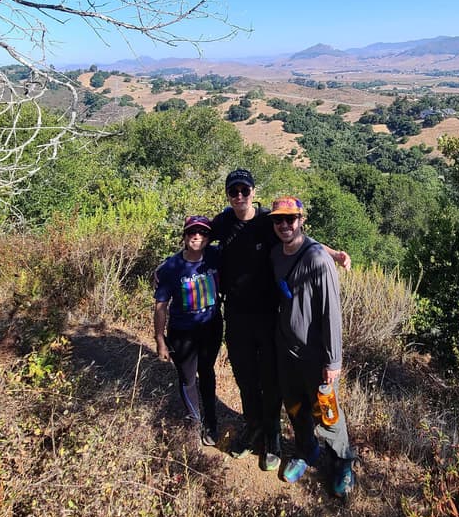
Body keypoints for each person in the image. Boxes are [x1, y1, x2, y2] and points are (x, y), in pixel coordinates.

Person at [212, 169, 351, 472]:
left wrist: (334, 254)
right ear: (227, 194)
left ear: (252, 191)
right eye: (233, 191)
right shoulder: (224, 223)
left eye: (244, 190)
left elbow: (304, 242)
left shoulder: (267, 221)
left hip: (270, 322)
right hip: (240, 318)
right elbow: (195, 238)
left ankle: (287, 442)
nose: (238, 196)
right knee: (250, 380)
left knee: (285, 389)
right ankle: (258, 429)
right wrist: (172, 266)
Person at [269, 195, 357, 498]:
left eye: (290, 219)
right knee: (294, 406)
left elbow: (331, 313)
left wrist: (333, 361)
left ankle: (343, 462)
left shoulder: (318, 260)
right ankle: (307, 452)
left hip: (314, 355)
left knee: (327, 413)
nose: (284, 225)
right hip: (285, 350)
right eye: (278, 219)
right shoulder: (276, 252)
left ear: (301, 220)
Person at [153, 215, 223, 447]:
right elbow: (161, 305)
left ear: (208, 237)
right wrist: (160, 340)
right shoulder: (171, 267)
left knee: (207, 372)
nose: (197, 236)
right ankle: (195, 423)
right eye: (192, 232)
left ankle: (211, 423)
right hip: (182, 332)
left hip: (211, 327)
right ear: (184, 236)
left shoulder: (215, 255)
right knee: (187, 378)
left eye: (202, 232)